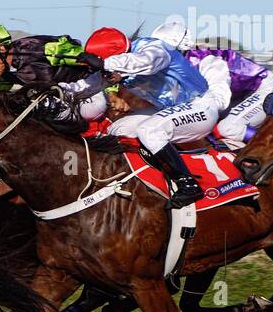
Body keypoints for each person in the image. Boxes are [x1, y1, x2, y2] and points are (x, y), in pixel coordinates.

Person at [96, 20, 228, 208]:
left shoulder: (154, 47)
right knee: (117, 129)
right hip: (168, 109)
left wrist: (104, 62)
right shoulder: (121, 61)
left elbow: (143, 63)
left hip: (201, 106)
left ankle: (188, 183)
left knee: (150, 131)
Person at [184, 46, 273, 150]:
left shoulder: (202, 57)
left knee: (227, 128)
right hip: (240, 95)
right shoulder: (182, 62)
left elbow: (217, 100)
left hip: (265, 89)